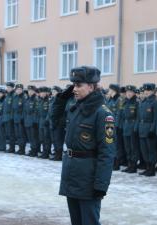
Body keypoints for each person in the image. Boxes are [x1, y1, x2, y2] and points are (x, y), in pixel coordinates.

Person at [52, 66, 115, 225]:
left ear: (92, 87)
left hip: (88, 178)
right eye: (73, 85)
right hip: (72, 172)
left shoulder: (103, 113)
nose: (74, 89)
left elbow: (106, 152)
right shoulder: (76, 108)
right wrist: (61, 99)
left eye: (79, 85)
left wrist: (101, 184)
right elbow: (53, 122)